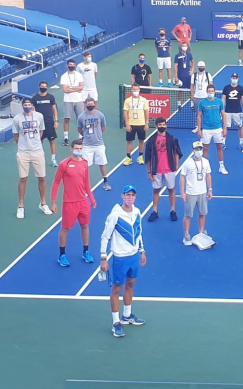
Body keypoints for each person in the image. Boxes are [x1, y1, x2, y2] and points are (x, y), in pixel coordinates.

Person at [100, 184, 147, 338]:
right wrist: (103, 258)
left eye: (132, 195)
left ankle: (127, 316)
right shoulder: (115, 215)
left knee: (131, 284)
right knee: (116, 289)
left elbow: (138, 232)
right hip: (120, 258)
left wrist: (142, 250)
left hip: (134, 256)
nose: (130, 198)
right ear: (122, 196)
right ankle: (116, 323)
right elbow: (105, 236)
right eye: (127, 195)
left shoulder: (138, 212)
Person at [50, 139, 97, 267]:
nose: (79, 151)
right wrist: (53, 202)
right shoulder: (64, 164)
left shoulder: (85, 163)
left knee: (85, 226)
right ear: (71, 149)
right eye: (77, 148)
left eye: (81, 148)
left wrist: (91, 199)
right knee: (65, 228)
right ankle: (62, 255)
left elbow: (86, 183)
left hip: (83, 202)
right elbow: (56, 182)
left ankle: (86, 252)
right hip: (69, 203)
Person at [13, 98, 51, 218]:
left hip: (37, 152)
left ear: (32, 106)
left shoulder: (39, 116)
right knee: (23, 179)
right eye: (25, 104)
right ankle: (20, 206)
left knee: (42, 178)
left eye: (29, 104)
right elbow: (16, 136)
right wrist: (23, 146)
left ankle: (43, 203)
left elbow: (40, 132)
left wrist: (35, 144)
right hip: (23, 152)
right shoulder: (17, 119)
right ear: (22, 106)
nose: (27, 106)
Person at [144, 117, 183, 222]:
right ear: (156, 126)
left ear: (166, 125)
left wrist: (176, 165)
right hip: (156, 170)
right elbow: (147, 158)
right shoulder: (151, 140)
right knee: (156, 190)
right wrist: (149, 172)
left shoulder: (172, 138)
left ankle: (173, 211)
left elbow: (176, 152)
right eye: (160, 125)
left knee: (171, 189)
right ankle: (155, 211)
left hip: (169, 168)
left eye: (163, 124)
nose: (162, 126)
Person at [180, 141, 212, 245]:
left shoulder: (206, 162)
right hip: (191, 193)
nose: (199, 151)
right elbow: (182, 177)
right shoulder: (187, 163)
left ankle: (201, 232)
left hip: (202, 192)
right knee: (188, 215)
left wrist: (210, 189)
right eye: (196, 149)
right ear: (193, 150)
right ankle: (186, 235)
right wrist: (182, 192)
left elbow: (208, 176)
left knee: (203, 213)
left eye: (200, 149)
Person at [77, 98, 111, 191]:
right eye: (89, 104)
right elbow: (79, 128)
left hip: (99, 144)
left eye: (92, 104)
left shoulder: (100, 115)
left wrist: (98, 134)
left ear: (94, 104)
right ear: (85, 105)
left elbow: (103, 127)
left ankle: (106, 182)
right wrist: (86, 136)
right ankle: (84, 184)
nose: (90, 105)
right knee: (85, 166)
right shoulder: (81, 117)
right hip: (87, 145)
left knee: (102, 163)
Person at [197, 84, 228, 175]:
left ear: (214, 92)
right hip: (206, 129)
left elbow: (223, 115)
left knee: (219, 147)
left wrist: (224, 128)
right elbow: (199, 116)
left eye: (212, 91)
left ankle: (221, 167)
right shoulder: (202, 103)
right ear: (207, 92)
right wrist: (199, 129)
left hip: (218, 129)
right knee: (205, 148)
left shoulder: (219, 102)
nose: (210, 93)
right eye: (209, 91)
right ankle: (205, 168)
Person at [32, 82, 60, 168]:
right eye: (42, 86)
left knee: (52, 141)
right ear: (39, 87)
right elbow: (33, 111)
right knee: (40, 141)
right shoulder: (35, 98)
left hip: (49, 122)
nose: (43, 88)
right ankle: (39, 159)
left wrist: (56, 121)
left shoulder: (51, 97)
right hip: (39, 123)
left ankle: (53, 159)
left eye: (45, 87)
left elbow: (54, 109)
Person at [122, 84, 148, 167]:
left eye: (137, 89)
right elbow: (125, 113)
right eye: (134, 89)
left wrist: (146, 123)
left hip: (141, 124)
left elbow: (146, 112)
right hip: (131, 124)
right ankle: (128, 157)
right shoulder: (127, 101)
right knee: (129, 141)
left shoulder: (144, 100)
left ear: (139, 90)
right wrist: (127, 124)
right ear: (131, 90)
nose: (135, 91)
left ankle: (140, 157)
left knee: (141, 140)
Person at [60, 59, 84, 147]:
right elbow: (65, 90)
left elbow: (81, 87)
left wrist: (71, 88)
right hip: (68, 101)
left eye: (73, 64)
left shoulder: (79, 75)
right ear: (67, 65)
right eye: (70, 64)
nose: (71, 66)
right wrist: (76, 88)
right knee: (67, 119)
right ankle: (66, 137)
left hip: (78, 100)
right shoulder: (64, 76)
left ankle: (81, 136)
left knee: (80, 119)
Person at [222, 73, 243, 150]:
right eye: (233, 77)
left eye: (235, 77)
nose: (234, 79)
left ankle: (241, 142)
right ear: (231, 78)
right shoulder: (226, 88)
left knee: (240, 126)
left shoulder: (240, 88)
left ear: (238, 78)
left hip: (238, 111)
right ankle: (223, 142)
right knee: (225, 126)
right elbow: (223, 99)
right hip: (227, 111)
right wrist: (222, 109)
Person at [190, 60, 214, 133]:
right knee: (198, 113)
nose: (201, 68)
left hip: (206, 97)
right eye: (200, 67)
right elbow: (192, 86)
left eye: (202, 67)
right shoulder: (194, 76)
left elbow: (211, 85)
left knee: (208, 112)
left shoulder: (208, 75)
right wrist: (192, 98)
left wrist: (211, 96)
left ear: (204, 67)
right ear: (198, 67)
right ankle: (197, 127)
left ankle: (208, 126)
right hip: (197, 97)